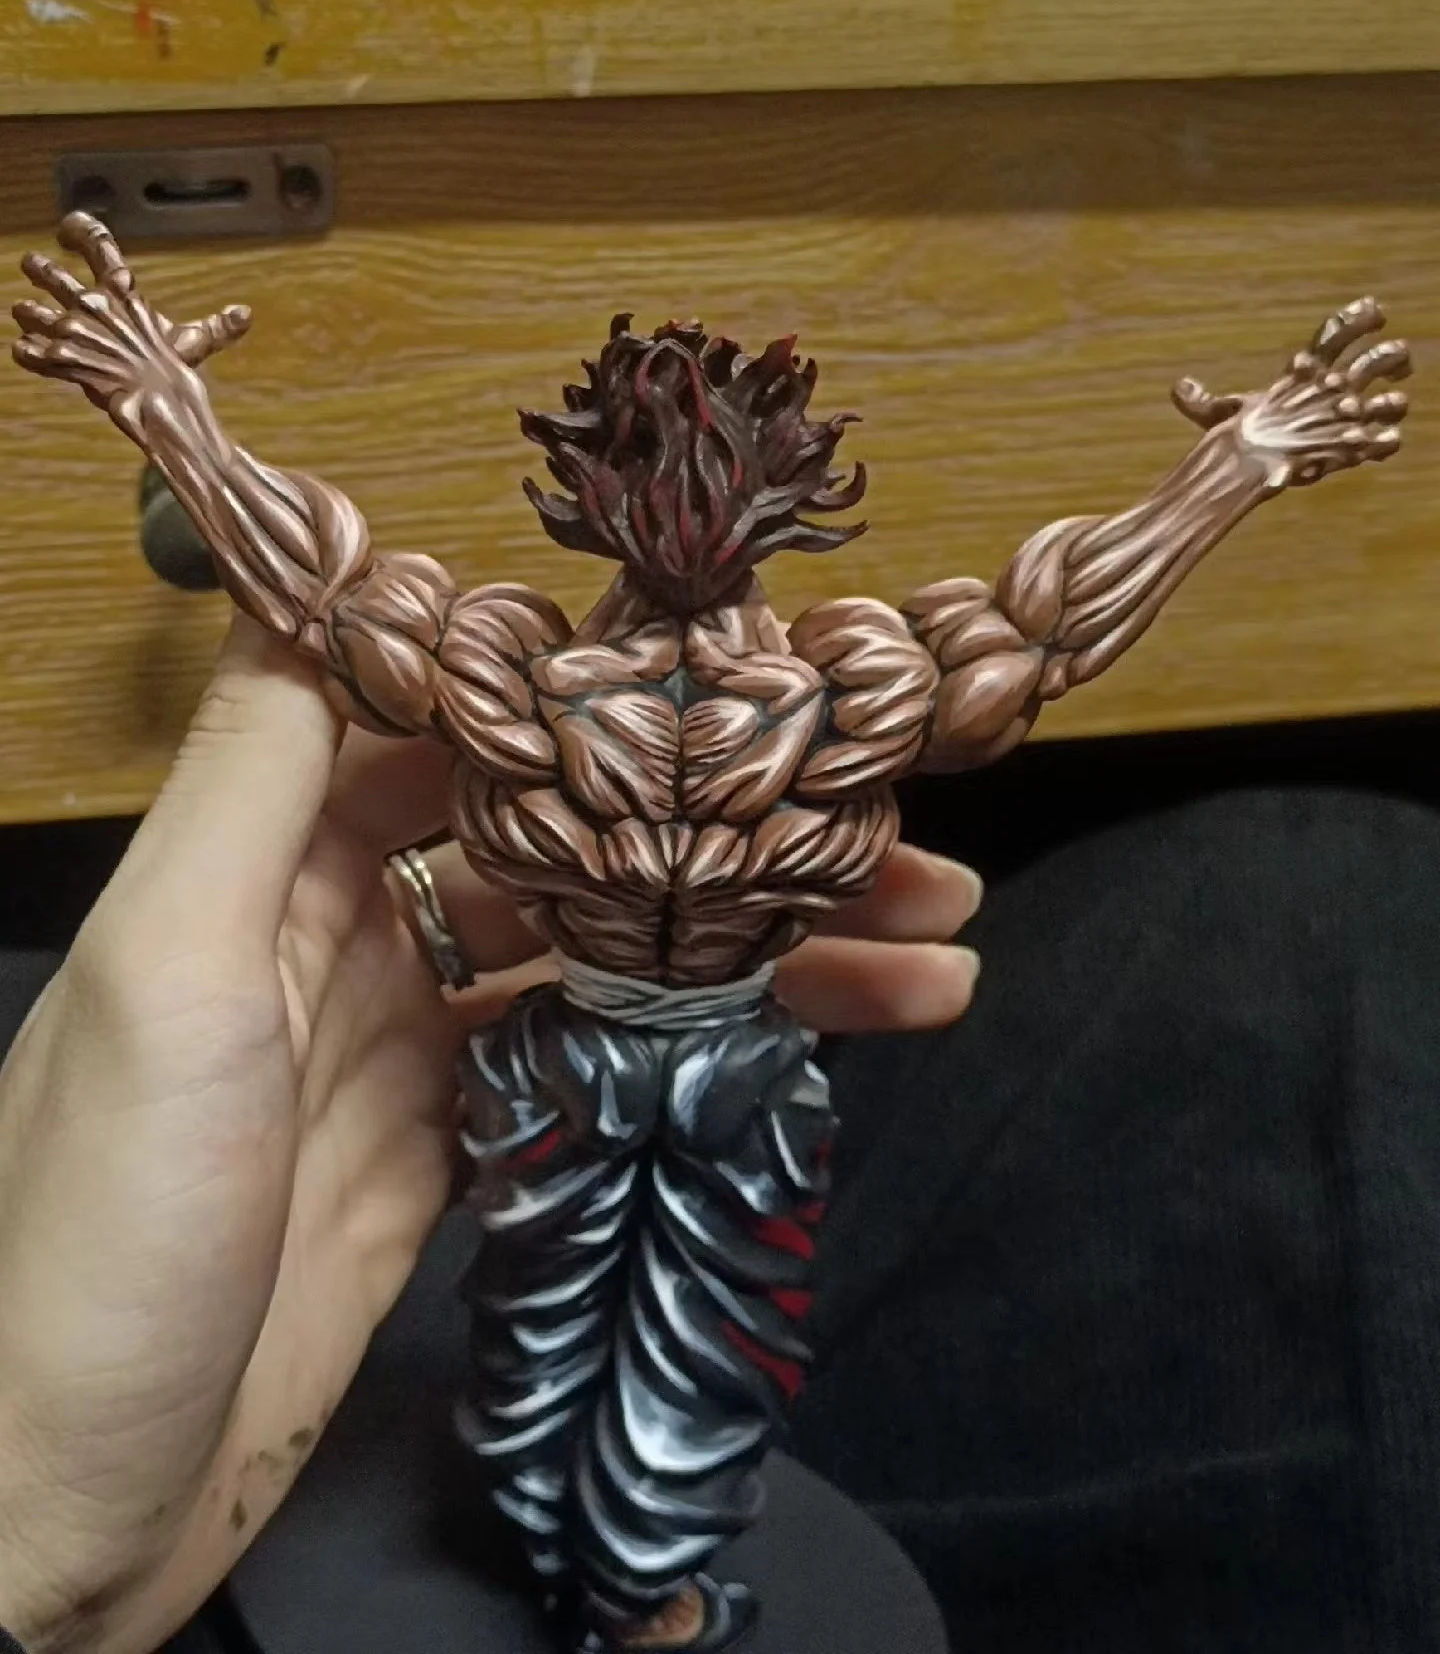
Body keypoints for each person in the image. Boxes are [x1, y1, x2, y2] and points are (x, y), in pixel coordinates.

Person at [0, 618, 981, 1654]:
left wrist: (33, 1534)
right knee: (564, 1321)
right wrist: (31, 1525)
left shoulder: (782, 697)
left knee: (690, 1326)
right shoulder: (548, 683)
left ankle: (639, 1563)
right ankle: (611, 1559)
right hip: (574, 1073)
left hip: (697, 1068)